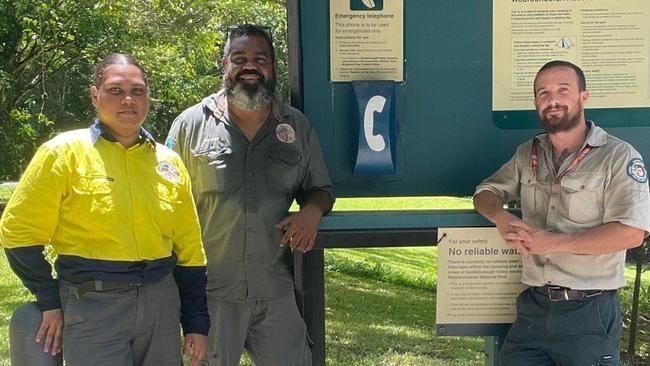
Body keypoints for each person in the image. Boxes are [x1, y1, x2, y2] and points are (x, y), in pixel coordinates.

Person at [0, 53, 209, 366]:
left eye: (138, 91)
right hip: (92, 305)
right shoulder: (63, 153)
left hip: (161, 305)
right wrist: (48, 299)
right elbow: (18, 232)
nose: (128, 100)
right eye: (116, 90)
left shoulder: (169, 162)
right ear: (94, 95)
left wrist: (195, 323)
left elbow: (190, 250)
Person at [166, 24, 334, 366]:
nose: (250, 66)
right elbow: (163, 202)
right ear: (224, 64)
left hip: (274, 288)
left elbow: (321, 188)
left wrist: (312, 212)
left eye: (260, 58)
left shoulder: (296, 125)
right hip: (209, 292)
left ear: (273, 66)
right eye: (239, 58)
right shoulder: (189, 126)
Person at [473, 60, 650, 366]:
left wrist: (552, 243)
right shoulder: (527, 152)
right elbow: (485, 193)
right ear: (535, 103)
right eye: (543, 93)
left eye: (562, 90)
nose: (552, 99)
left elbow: (631, 233)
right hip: (533, 307)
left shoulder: (618, 157)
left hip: (589, 312)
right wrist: (502, 218)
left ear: (584, 96)